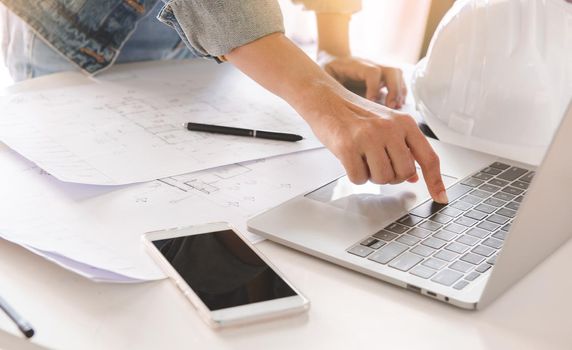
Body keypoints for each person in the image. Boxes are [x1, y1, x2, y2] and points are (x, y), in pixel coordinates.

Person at [0, 0, 448, 203]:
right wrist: (325, 100)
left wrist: (334, 47)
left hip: (203, 36)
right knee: (93, 201)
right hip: (81, 37)